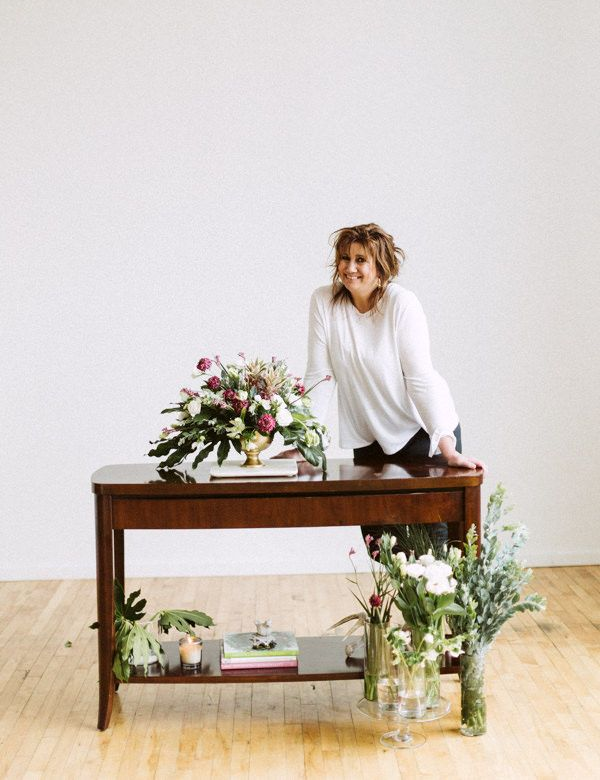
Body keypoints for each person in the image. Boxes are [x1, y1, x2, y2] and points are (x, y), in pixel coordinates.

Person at [278, 222, 485, 550]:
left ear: (381, 267)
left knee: (435, 548)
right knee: (384, 546)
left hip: (421, 434)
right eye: (345, 258)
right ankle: (410, 603)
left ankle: (441, 602)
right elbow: (319, 377)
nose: (350, 267)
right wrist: (305, 443)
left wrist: (447, 449)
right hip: (371, 438)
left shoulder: (401, 303)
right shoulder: (325, 302)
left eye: (361, 260)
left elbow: (421, 379)